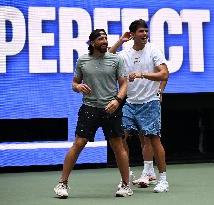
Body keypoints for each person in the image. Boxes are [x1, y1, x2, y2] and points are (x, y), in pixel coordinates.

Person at [54, 29, 133, 198]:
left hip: (111, 107)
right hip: (89, 108)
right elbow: (74, 83)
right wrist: (78, 87)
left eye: (105, 38)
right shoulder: (82, 60)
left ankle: (126, 185)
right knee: (79, 143)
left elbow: (124, 84)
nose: (104, 41)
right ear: (92, 43)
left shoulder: (115, 59)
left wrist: (117, 100)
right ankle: (62, 183)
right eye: (100, 38)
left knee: (118, 146)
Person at [109, 19, 169, 193]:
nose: (144, 34)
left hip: (149, 102)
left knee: (153, 139)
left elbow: (164, 73)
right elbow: (108, 58)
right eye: (141, 31)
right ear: (133, 34)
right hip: (130, 103)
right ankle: (126, 176)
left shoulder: (153, 50)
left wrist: (142, 75)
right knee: (120, 138)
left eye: (146, 31)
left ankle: (163, 179)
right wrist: (121, 41)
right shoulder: (125, 54)